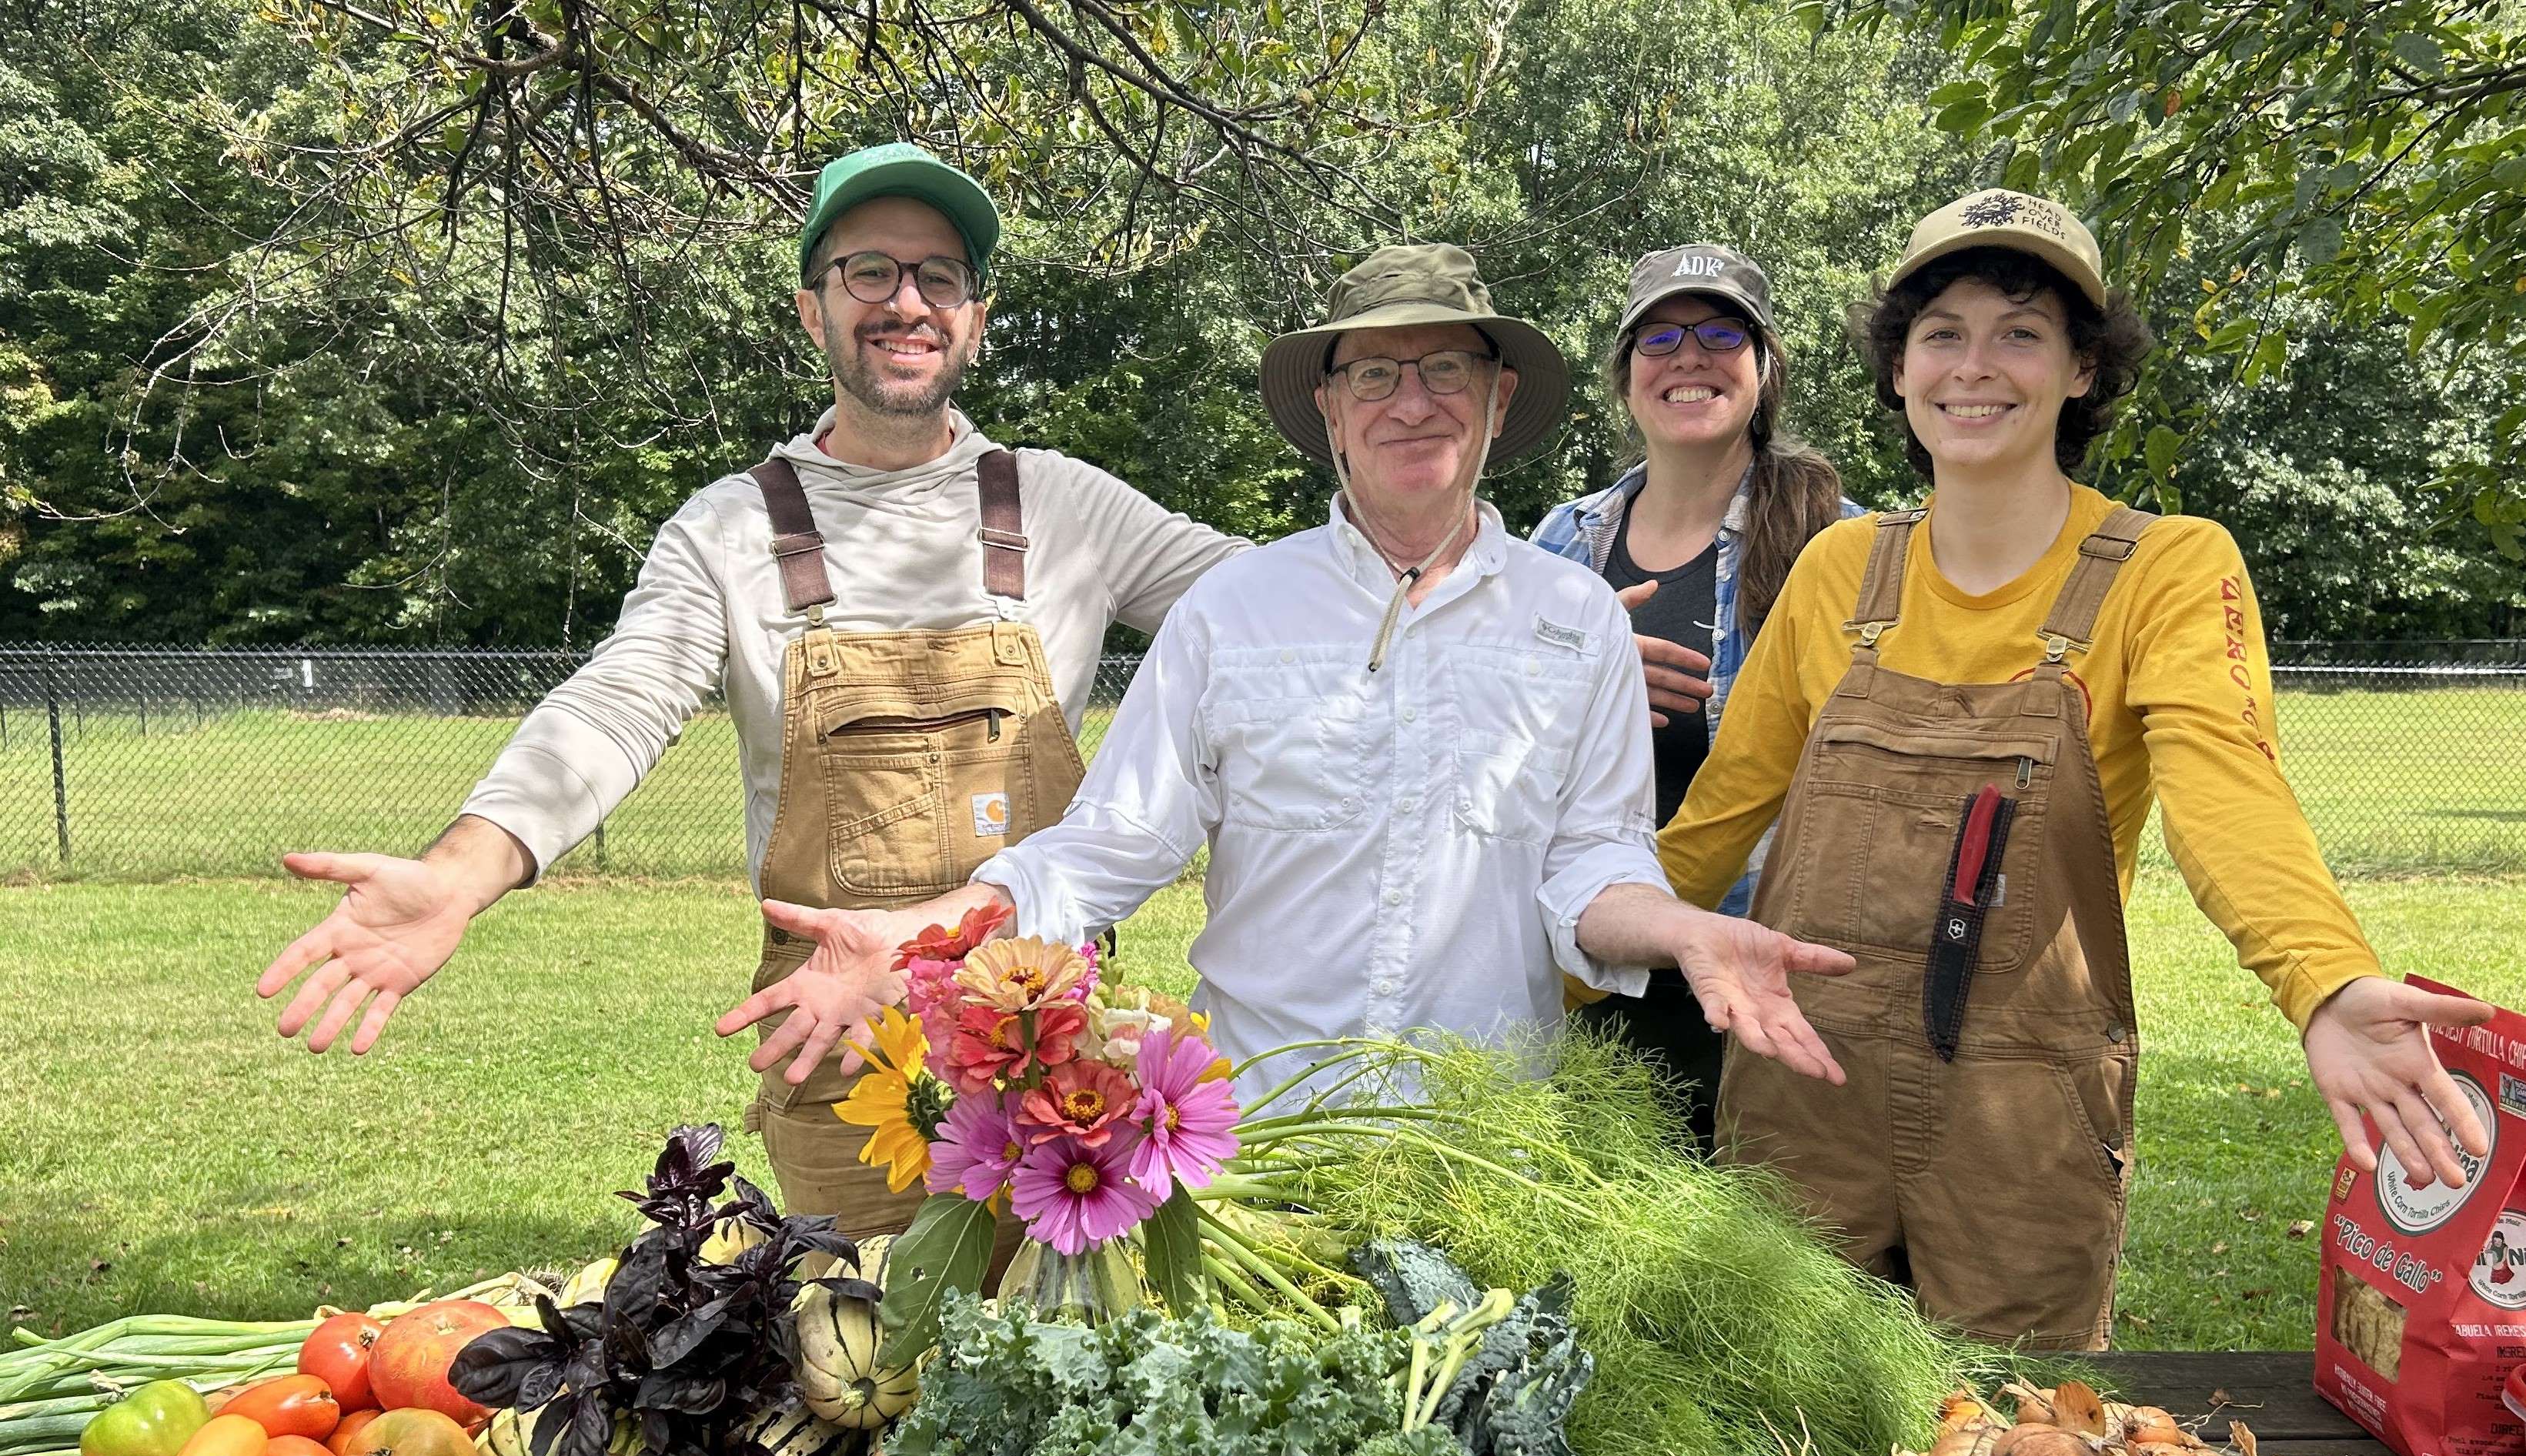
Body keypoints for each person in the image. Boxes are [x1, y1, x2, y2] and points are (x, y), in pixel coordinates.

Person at [254, 143, 1244, 1238]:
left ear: (975, 315)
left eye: (940, 276)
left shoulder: (1066, 507)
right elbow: (617, 700)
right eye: (869, 271)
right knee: (864, 1374)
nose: (906, 302)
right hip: (845, 1054)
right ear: (810, 309)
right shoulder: (729, 530)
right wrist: (460, 873)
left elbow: (1279, 611)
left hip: (1062, 1066)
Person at [720, 243, 1856, 1110]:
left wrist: (1679, 928)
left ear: (1499, 397)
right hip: (1259, 1142)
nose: (1412, 402)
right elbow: (1107, 845)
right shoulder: (1235, 612)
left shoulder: (1572, 624)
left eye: (1447, 369)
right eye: (1373, 373)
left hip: (1491, 1143)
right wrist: (926, 928)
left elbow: (1590, 866)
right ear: (1328, 406)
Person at [1653, 188, 2494, 1350]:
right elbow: (1713, 823)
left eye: (2020, 331)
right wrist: (1558, 962)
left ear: (2082, 369)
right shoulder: (1841, 568)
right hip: (1804, 1098)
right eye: (1940, 333)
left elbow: (2227, 795)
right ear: (1898, 370)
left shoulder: (2164, 568)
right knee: (1769, 1448)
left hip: (2021, 1128)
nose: (1973, 366)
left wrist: (2326, 982)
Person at [1533, 245, 1861, 1143]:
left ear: (1765, 368)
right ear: (1626, 373)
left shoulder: (1847, 545)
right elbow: (1498, 753)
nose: (1689, 355)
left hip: (1774, 977)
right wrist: (1579, 687)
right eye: (1659, 335)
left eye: (1722, 332)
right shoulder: (1563, 542)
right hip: (1596, 973)